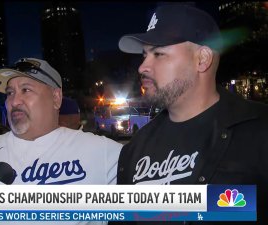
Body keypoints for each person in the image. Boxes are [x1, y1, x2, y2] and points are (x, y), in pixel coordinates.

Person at [113, 3, 268, 225]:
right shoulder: (134, 149)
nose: (142, 67)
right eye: (144, 55)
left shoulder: (259, 129)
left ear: (202, 59)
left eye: (158, 53)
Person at [0, 57, 122, 225]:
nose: (14, 101)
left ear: (56, 98)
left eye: (26, 90)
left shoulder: (100, 152)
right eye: (9, 93)